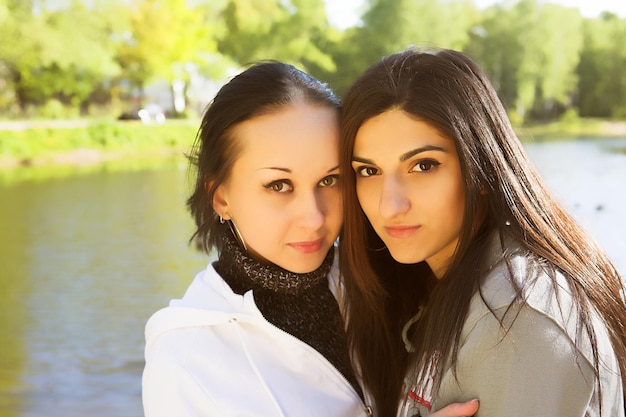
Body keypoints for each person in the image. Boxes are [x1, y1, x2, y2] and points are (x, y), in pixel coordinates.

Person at [141, 61, 479, 417]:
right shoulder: (184, 360)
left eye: (330, 180)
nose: (314, 217)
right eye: (279, 185)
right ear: (221, 196)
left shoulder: (382, 279)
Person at [338, 47, 626, 417]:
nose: (389, 206)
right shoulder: (441, 287)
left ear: (483, 168)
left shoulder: (515, 317)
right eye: (368, 171)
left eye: (423, 165)